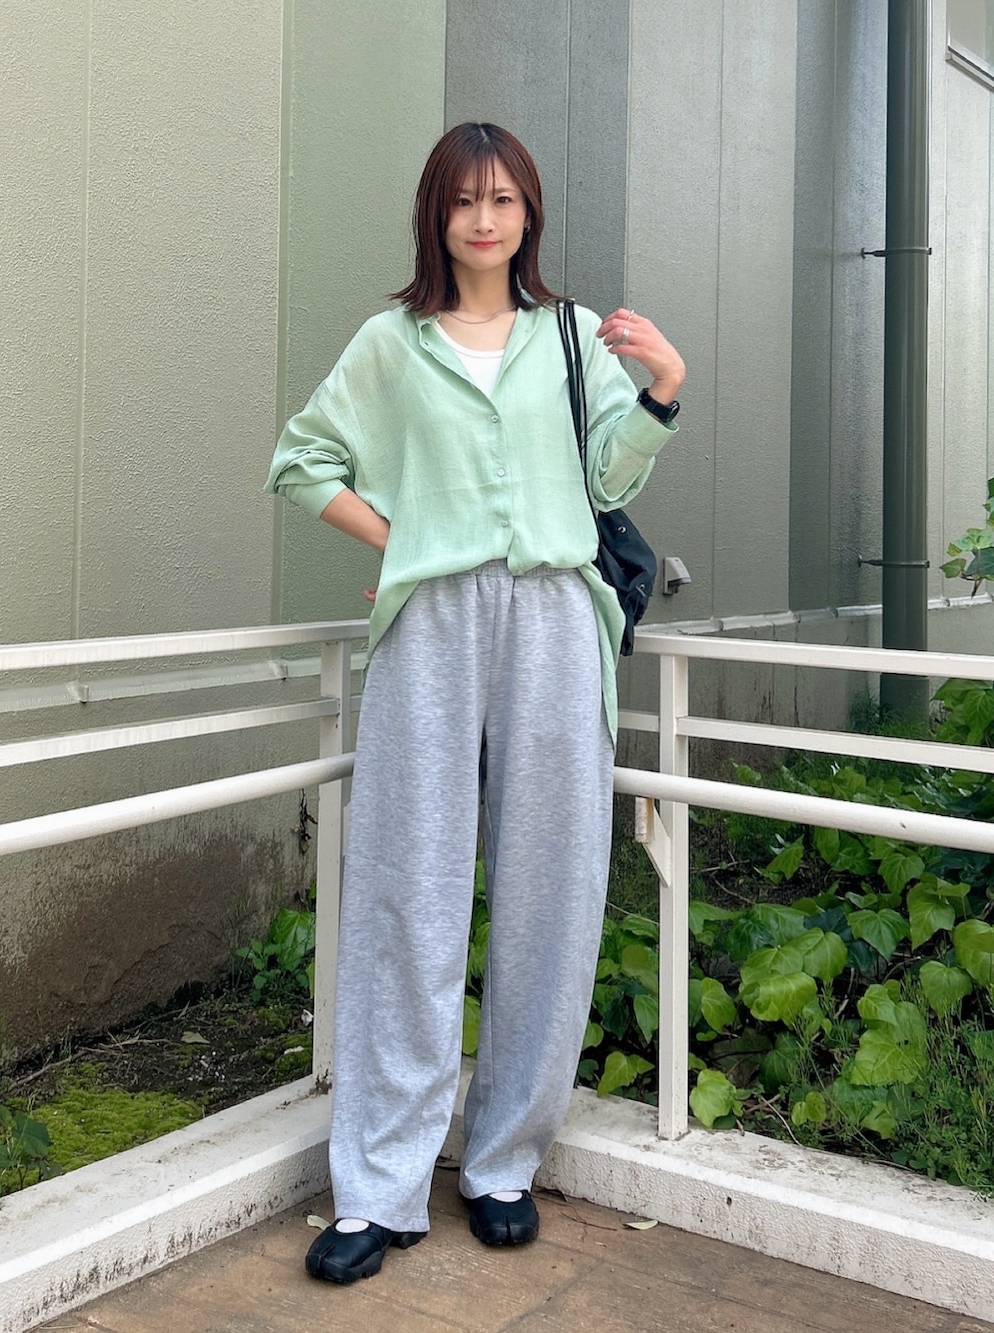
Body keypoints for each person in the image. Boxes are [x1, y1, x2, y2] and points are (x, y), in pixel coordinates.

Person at [265, 121, 685, 1285]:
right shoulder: (390, 344)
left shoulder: (570, 336)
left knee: (552, 887)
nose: (484, 220)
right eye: (463, 200)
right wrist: (406, 542)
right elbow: (302, 461)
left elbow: (604, 476)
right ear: (435, 215)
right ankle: (380, 1184)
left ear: (528, 212)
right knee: (406, 887)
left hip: (555, 618)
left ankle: (502, 1161)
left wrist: (660, 388)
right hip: (433, 627)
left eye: (503, 199)